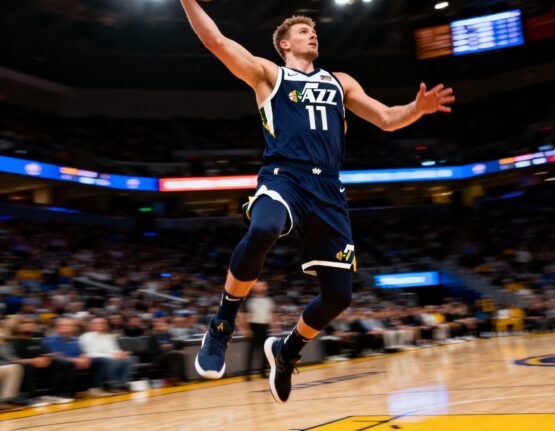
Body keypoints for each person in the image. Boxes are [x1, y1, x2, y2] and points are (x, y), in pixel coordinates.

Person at [180, 1, 454, 404]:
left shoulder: (339, 81)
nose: (313, 34)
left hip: (328, 189)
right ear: (285, 44)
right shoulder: (269, 75)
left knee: (339, 296)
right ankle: (222, 322)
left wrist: (419, 108)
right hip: (284, 176)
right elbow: (215, 41)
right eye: (304, 31)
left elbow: (386, 117)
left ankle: (287, 350)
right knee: (264, 227)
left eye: (314, 31)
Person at [10, 317, 75, 404]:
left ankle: (54, 394)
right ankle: (31, 397)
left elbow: (45, 354)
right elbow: (12, 361)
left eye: (31, 325)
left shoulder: (35, 342)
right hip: (23, 367)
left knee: (58, 363)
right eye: (25, 324)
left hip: (39, 366)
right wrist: (33, 361)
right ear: (18, 327)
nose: (28, 326)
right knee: (29, 366)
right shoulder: (13, 342)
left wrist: (47, 359)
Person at [78, 318, 137, 394]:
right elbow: (91, 352)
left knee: (128, 359)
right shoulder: (86, 336)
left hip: (110, 357)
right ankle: (113, 385)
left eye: (103, 323)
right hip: (94, 358)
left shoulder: (109, 336)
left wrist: (121, 353)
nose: (101, 325)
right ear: (91, 326)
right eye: (97, 323)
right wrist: (113, 355)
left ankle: (123, 384)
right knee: (113, 361)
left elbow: (114, 349)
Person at [239, 281, 274, 380]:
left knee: (266, 352)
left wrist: (275, 328)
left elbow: (271, 314)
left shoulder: (269, 301)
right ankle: (247, 374)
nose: (260, 287)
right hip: (253, 327)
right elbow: (242, 315)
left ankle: (263, 372)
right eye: (257, 286)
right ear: (254, 288)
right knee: (251, 352)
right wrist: (245, 329)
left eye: (262, 285)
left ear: (265, 287)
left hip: (265, 327)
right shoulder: (248, 300)